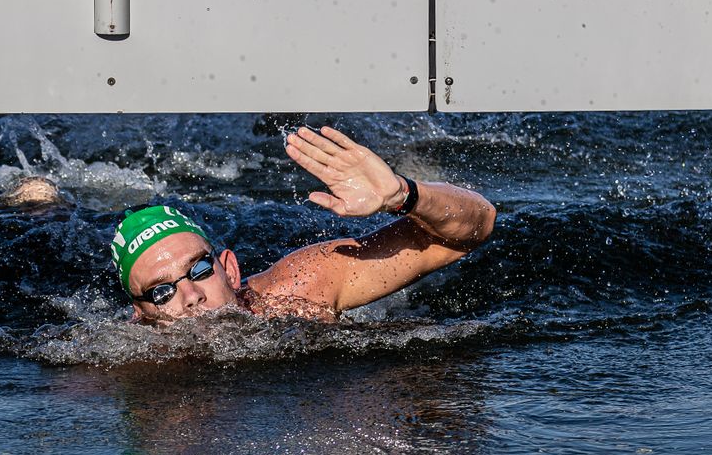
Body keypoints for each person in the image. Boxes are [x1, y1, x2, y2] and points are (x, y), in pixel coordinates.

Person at [111, 126, 497, 323]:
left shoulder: (303, 287)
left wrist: (405, 196)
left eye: (199, 268)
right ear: (140, 313)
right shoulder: (121, 359)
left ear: (229, 269)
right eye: (161, 292)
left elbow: (472, 230)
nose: (191, 296)